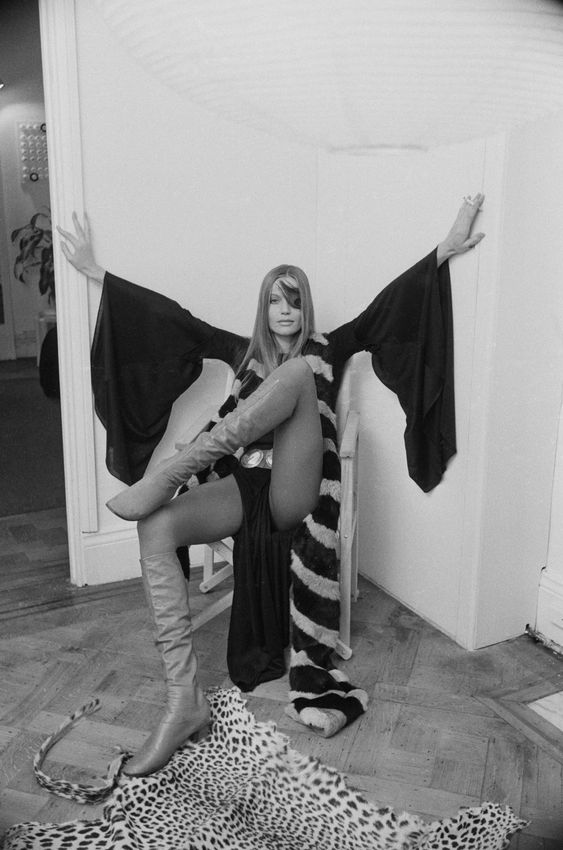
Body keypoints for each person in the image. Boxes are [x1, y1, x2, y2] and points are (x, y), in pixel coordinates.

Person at [58, 194, 484, 776]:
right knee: (155, 524)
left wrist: (443, 250)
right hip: (245, 481)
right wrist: (96, 272)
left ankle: (173, 472)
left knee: (297, 373)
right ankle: (183, 702)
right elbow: (175, 320)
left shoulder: (327, 349)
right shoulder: (243, 354)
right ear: (263, 308)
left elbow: (387, 307)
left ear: (305, 308)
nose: (285, 311)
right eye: (275, 301)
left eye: (295, 300)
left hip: (294, 489)